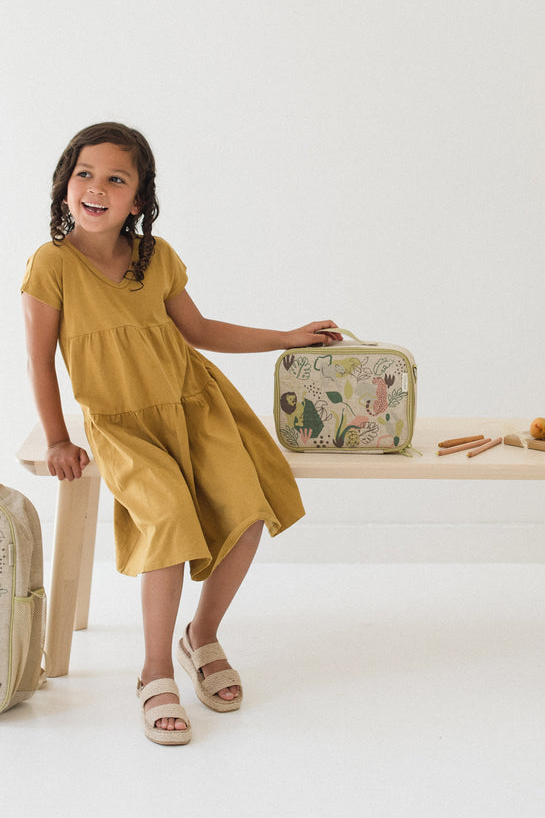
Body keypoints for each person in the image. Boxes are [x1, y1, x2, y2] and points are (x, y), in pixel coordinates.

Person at [21, 122, 340, 745]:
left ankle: (202, 635)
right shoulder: (51, 264)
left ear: (138, 199)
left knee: (247, 511)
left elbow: (200, 331)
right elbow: (39, 361)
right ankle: (154, 670)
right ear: (65, 185)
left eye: (116, 179)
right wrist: (58, 439)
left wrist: (285, 337)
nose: (97, 188)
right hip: (123, 425)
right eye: (85, 174)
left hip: (194, 406)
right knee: (167, 518)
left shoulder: (155, 256)